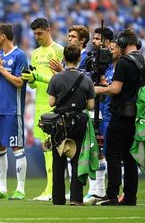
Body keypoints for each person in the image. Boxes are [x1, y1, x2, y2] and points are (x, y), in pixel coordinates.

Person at [94, 29, 145, 206]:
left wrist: (100, 89)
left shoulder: (124, 62)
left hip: (121, 115)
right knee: (130, 157)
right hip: (138, 116)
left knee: (113, 155)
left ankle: (111, 195)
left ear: (124, 43)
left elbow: (116, 89)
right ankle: (130, 196)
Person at [22, 17, 64, 201]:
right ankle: (50, 187)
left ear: (48, 30)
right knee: (46, 147)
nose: (37, 37)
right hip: (40, 104)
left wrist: (38, 75)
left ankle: (53, 188)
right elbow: (34, 86)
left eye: (40, 33)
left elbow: (61, 80)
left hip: (54, 105)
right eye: (34, 34)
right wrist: (30, 79)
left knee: (57, 147)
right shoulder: (36, 53)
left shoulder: (59, 51)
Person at [47, 45, 95, 205]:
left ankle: (58, 198)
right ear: (79, 59)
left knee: (58, 161)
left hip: (60, 123)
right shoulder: (86, 79)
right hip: (79, 122)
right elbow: (90, 106)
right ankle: (76, 198)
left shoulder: (56, 78)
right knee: (77, 160)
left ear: (64, 59)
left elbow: (51, 102)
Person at [0, 23, 28, 200]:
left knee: (17, 148)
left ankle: (20, 189)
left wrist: (1, 68)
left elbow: (19, 82)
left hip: (13, 109)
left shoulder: (20, 56)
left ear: (3, 36)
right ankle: (1, 189)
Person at [83, 27, 114, 203]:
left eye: (98, 38)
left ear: (108, 42)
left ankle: (106, 191)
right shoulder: (90, 59)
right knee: (96, 150)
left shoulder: (113, 62)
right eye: (93, 38)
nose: (94, 41)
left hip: (108, 113)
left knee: (108, 152)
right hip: (96, 110)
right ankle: (96, 190)